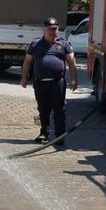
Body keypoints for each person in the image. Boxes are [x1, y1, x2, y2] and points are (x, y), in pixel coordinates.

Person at [20, 17, 78, 146]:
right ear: (44, 30)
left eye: (54, 29)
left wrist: (74, 79)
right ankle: (44, 134)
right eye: (49, 29)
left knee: (59, 109)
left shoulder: (64, 44)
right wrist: (24, 78)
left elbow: (72, 62)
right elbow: (27, 62)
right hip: (40, 82)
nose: (52, 31)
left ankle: (59, 135)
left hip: (57, 82)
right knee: (43, 109)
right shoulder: (35, 44)